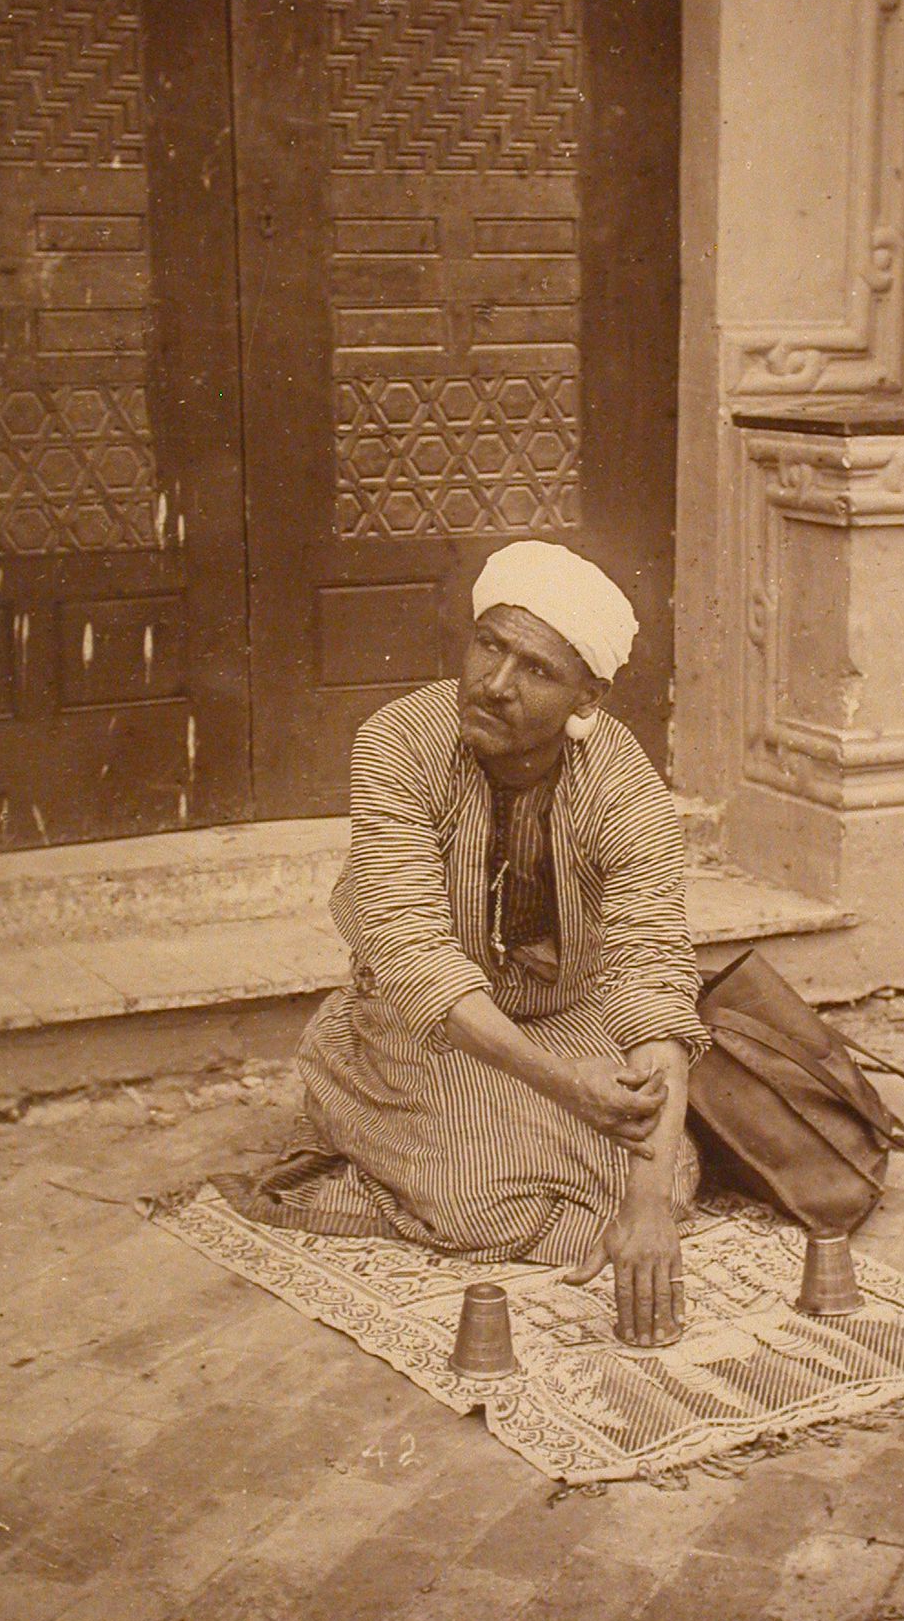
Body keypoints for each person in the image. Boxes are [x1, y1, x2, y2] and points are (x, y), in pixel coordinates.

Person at [216, 540, 708, 1347]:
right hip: (418, 1028)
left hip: (567, 1022)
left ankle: (526, 1158)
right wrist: (566, 1090)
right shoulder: (399, 743)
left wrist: (649, 1204)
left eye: (537, 671)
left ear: (588, 697)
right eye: (489, 645)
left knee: (664, 1176)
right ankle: (392, 1147)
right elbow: (413, 954)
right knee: (481, 1195)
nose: (496, 684)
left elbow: (652, 973)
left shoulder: (624, 785)